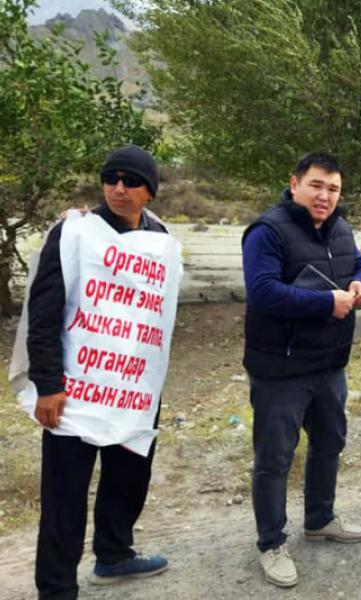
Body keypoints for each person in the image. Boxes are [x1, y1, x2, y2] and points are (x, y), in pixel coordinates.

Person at [26, 146, 173, 599]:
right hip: (76, 388)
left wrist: (149, 384)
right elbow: (44, 313)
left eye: (131, 181)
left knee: (128, 477)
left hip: (132, 387)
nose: (118, 189)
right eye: (111, 179)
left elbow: (158, 313)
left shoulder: (161, 238)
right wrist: (48, 385)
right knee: (65, 494)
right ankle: (56, 588)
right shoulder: (74, 233)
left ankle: (113, 554)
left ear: (150, 191)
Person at [242, 152, 361, 589]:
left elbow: (359, 263)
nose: (324, 196)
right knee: (276, 457)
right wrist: (325, 303)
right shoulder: (267, 231)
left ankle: (319, 519)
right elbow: (262, 293)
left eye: (333, 189)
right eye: (317, 185)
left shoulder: (340, 227)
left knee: (329, 442)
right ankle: (271, 542)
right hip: (281, 367)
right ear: (294, 183)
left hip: (329, 362)